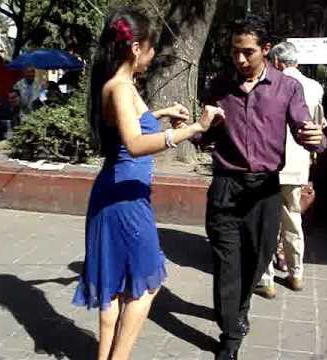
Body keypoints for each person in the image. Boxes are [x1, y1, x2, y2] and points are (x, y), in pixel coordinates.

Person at [71, 9, 224, 360]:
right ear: (136, 47)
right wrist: (192, 130)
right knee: (145, 285)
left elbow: (129, 126)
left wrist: (160, 115)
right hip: (125, 198)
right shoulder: (121, 87)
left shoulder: (115, 83)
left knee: (115, 287)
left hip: (114, 191)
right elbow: (136, 143)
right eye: (153, 48)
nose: (154, 56)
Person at [197, 15, 324, 360]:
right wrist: (198, 128)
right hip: (226, 185)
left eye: (248, 52)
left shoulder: (287, 87)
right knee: (226, 263)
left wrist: (317, 139)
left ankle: (239, 308)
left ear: (266, 50)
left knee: (258, 260)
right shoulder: (219, 84)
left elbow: (304, 127)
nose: (239, 59)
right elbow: (203, 136)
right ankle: (231, 333)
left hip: (265, 189)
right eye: (234, 52)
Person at [256, 41, 326, 299]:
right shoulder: (315, 87)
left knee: (266, 221)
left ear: (275, 62)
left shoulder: (268, 84)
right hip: (298, 164)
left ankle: (266, 279)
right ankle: (296, 273)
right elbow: (317, 127)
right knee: (293, 218)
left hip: (269, 162)